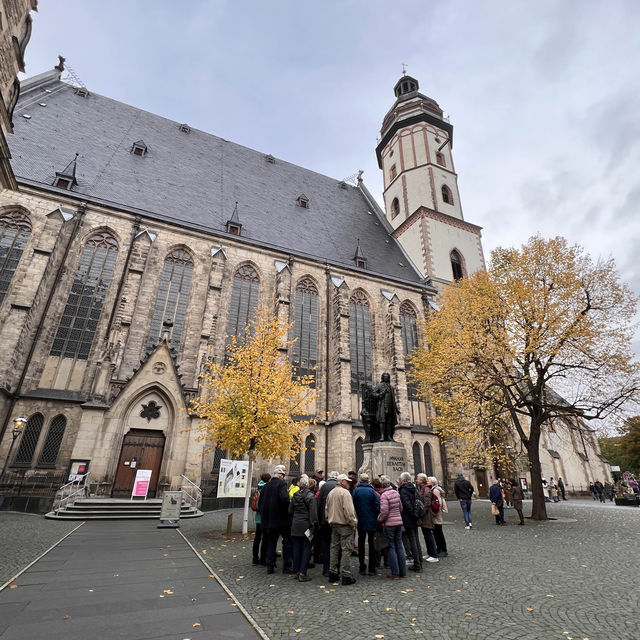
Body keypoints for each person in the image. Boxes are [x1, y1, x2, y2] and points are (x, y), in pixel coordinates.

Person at [258, 465, 293, 574]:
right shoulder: (281, 484)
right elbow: (284, 499)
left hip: (269, 520)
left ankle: (270, 565)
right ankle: (287, 566)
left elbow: (260, 503)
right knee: (287, 541)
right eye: (283, 475)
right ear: (281, 476)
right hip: (281, 520)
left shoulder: (266, 486)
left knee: (271, 542)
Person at [326, 473, 358, 585]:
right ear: (342, 482)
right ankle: (346, 575)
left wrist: (329, 519)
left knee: (334, 549)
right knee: (346, 550)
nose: (349, 483)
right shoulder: (345, 493)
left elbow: (327, 509)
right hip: (345, 525)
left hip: (334, 524)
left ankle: (332, 573)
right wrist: (353, 523)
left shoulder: (331, 493)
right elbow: (349, 512)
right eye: (347, 481)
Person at [289, 474, 318, 581]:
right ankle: (302, 573)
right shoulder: (310, 496)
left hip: (296, 525)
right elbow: (313, 514)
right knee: (306, 548)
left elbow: (290, 511)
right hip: (306, 526)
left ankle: (296, 571)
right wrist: (313, 526)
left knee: (296, 548)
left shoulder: (295, 495)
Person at [377, 475, 406, 579]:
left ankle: (395, 572)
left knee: (391, 546)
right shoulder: (396, 493)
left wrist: (380, 519)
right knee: (399, 545)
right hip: (398, 522)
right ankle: (403, 571)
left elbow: (384, 512)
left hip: (389, 524)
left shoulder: (384, 495)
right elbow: (400, 507)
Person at [352, 472, 380, 576]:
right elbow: (377, 506)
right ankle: (372, 568)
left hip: (361, 521)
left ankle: (362, 567)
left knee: (361, 543)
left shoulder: (356, 491)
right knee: (372, 544)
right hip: (372, 521)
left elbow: (352, 504)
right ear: (368, 480)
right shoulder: (372, 491)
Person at [398, 472, 423, 572]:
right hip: (415, 517)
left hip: (409, 518)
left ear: (403, 480)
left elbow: (407, 505)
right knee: (416, 539)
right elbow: (418, 501)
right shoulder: (414, 488)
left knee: (412, 540)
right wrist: (417, 516)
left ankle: (417, 564)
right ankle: (419, 561)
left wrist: (412, 515)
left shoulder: (403, 490)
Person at [316, 470, 339, 576]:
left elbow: (319, 504)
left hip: (325, 521)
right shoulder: (339, 486)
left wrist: (320, 520)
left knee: (325, 545)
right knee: (336, 545)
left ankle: (326, 568)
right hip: (337, 521)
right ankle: (336, 568)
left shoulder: (324, 486)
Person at [416, 473, 439, 563]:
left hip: (426, 515)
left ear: (421, 480)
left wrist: (421, 514)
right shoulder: (423, 489)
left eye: (417, 479)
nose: (416, 480)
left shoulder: (425, 490)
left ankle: (434, 555)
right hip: (424, 515)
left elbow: (427, 504)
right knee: (426, 534)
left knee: (428, 534)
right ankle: (430, 553)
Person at [372, 372, 400, 441]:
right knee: (382, 421)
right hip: (382, 405)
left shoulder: (391, 387)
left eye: (388, 376)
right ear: (382, 377)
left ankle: (389, 436)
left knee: (389, 422)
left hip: (390, 406)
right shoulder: (379, 386)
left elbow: (393, 399)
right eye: (385, 376)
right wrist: (381, 394)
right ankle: (382, 436)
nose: (386, 378)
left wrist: (396, 409)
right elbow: (373, 394)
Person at [252, 473, 270, 566]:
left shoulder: (258, 487)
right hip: (265, 518)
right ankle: (263, 560)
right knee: (265, 539)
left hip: (258, 518)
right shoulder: (268, 488)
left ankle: (255, 559)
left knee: (257, 539)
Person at [427, 476, 449, 555]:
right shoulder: (434, 489)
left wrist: (433, 512)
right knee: (436, 532)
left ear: (432, 482)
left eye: (428, 481)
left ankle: (443, 549)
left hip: (436, 514)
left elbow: (437, 503)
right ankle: (439, 548)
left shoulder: (435, 490)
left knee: (438, 532)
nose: (427, 482)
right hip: (436, 513)